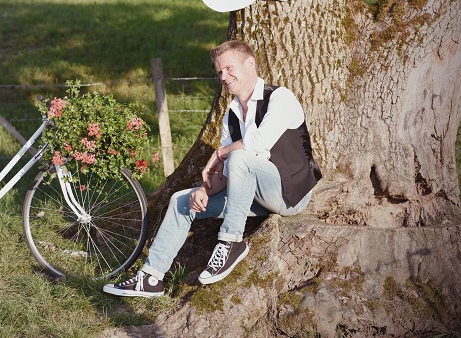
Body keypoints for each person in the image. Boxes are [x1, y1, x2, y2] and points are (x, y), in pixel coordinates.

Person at [103, 40, 321, 297]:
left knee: (240, 157)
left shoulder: (280, 97)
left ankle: (231, 243)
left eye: (229, 68)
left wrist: (221, 152)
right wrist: (205, 189)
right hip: (251, 194)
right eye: (219, 72)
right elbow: (230, 172)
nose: (223, 77)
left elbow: (256, 144)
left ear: (250, 64)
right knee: (181, 200)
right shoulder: (231, 113)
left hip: (289, 192)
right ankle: (151, 278)